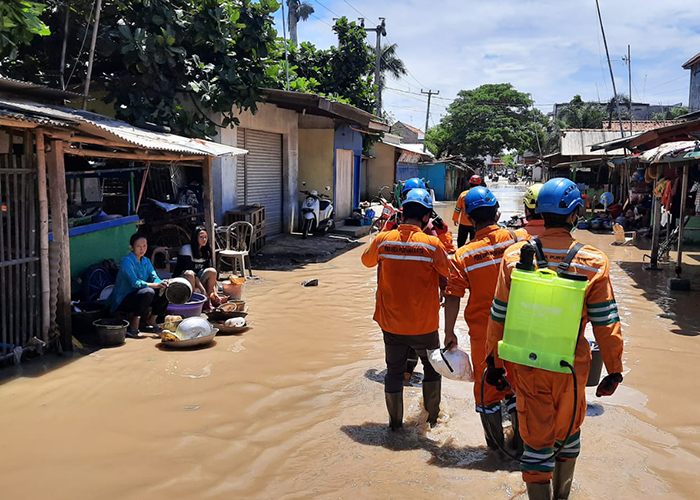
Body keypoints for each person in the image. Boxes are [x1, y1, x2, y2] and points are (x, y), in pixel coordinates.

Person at [485, 178, 624, 500]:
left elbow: (498, 316)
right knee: (569, 434)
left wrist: (493, 362)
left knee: (535, 440)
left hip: (525, 364)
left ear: (538, 214)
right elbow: (607, 325)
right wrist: (614, 370)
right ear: (576, 213)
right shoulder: (593, 262)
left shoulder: (513, 257)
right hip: (570, 367)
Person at [443, 186, 529, 452]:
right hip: (522, 330)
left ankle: (495, 452)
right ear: (498, 212)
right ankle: (522, 446)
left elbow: (453, 295)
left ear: (468, 219)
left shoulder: (463, 255)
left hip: (484, 334)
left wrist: (448, 332)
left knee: (487, 392)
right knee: (519, 387)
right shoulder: (520, 239)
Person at [362, 188, 451, 430]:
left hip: (391, 324)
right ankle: (433, 421)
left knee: (394, 373)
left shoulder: (383, 240)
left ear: (401, 215)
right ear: (425, 218)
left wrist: (384, 232)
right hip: (425, 325)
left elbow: (366, 261)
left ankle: (394, 426)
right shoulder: (432, 245)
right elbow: (449, 273)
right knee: (432, 371)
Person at [110, 233, 169, 337]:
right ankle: (135, 322)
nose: (142, 249)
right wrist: (155, 285)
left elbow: (154, 277)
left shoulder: (146, 261)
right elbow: (135, 283)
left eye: (144, 246)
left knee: (167, 289)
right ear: (131, 247)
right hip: (124, 299)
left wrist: (161, 283)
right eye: (138, 246)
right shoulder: (127, 261)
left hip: (140, 295)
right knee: (149, 292)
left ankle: (152, 319)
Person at [173, 226, 218, 302]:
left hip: (198, 277)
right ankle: (193, 299)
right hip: (184, 278)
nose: (204, 240)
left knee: (212, 271)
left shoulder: (206, 250)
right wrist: (202, 290)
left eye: (206, 237)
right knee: (190, 274)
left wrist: (215, 291)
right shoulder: (186, 249)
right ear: (195, 238)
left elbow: (208, 268)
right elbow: (191, 271)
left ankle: (210, 299)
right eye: (201, 237)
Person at [452, 175, 482, 247]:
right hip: (475, 224)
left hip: (463, 223)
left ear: (469, 183)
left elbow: (458, 208)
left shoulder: (463, 195)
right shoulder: (480, 195)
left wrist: (455, 219)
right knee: (474, 245)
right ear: (479, 184)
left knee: (461, 244)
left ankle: (459, 257)